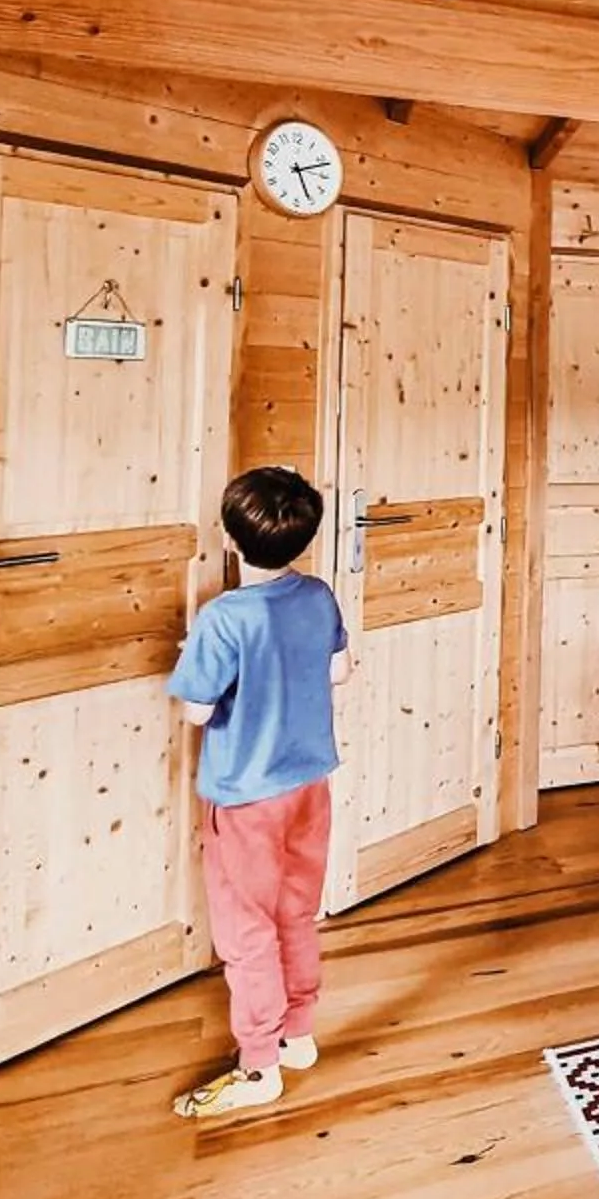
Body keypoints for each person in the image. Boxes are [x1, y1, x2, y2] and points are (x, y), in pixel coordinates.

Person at [168, 466, 352, 1118]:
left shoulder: (223, 618)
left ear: (230, 537)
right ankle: (297, 1034)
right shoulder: (319, 595)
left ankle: (258, 1065)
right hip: (309, 786)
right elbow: (340, 671)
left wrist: (193, 653)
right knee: (295, 912)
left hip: (246, 798)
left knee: (246, 931)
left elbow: (195, 709)